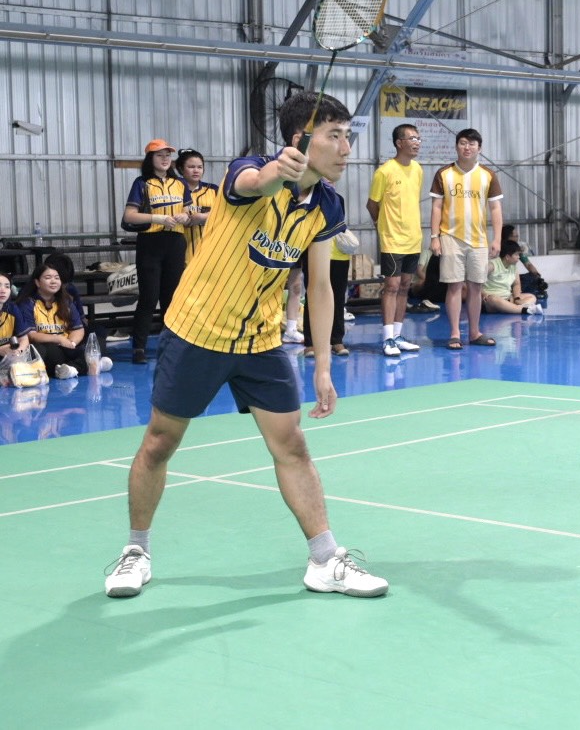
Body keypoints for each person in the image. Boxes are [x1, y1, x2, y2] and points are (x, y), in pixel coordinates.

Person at [102, 89, 387, 600]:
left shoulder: (327, 204)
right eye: (335, 136)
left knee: (292, 445)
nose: (347, 149)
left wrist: (322, 365)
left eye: (348, 137)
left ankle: (325, 560)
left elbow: (321, 287)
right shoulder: (249, 169)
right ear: (302, 140)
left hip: (261, 340)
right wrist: (279, 170)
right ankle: (136, 551)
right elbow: (252, 184)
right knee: (160, 442)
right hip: (198, 330)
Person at [429, 128, 504, 350]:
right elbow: (436, 207)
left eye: (472, 144)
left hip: (479, 240)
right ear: (456, 146)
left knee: (476, 287)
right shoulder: (444, 173)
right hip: (450, 237)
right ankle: (454, 333)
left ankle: (474, 332)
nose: (467, 147)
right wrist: (434, 237)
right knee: (454, 286)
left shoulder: (488, 175)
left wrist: (497, 239)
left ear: (479, 148)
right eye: (463, 143)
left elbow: (495, 208)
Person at [122, 139, 191, 363]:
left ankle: (170, 345)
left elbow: (188, 212)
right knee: (149, 297)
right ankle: (139, 347)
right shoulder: (142, 183)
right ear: (150, 158)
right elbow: (129, 216)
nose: (164, 159)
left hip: (176, 242)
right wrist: (158, 218)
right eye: (159, 155)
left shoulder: (180, 183)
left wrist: (185, 216)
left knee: (172, 298)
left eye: (167, 155)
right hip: (151, 242)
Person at [367, 123, 424, 357]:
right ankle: (387, 338)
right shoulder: (384, 172)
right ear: (399, 143)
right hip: (392, 239)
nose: (417, 143)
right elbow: (372, 204)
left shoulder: (418, 169)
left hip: (413, 239)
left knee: (405, 286)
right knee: (391, 287)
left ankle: (398, 336)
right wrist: (382, 226)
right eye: (412, 138)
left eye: (418, 139)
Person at [12, 263, 113, 379]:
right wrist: (59, 339)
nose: (53, 281)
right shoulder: (27, 304)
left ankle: (73, 368)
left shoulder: (66, 301)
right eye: (48, 278)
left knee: (97, 340)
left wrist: (72, 343)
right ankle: (93, 364)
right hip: (49, 347)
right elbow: (32, 335)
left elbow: (78, 329)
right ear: (37, 282)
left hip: (68, 345)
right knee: (50, 352)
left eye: (57, 278)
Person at [299, 230, 353, 358]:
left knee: (338, 298)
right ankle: (310, 342)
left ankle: (337, 340)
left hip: (339, 253)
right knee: (312, 297)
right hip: (314, 251)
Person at [175, 148, 218, 264]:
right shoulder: (173, 190)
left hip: (209, 253)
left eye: (199, 167)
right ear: (181, 169)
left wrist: (203, 217)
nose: (196, 171)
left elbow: (226, 214)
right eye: (191, 167)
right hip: (179, 253)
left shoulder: (214, 190)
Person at [481, 240, 544, 315]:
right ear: (507, 257)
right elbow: (476, 281)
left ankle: (512, 308)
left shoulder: (513, 267)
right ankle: (524, 310)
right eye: (516, 255)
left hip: (508, 298)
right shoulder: (492, 265)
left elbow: (516, 284)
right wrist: (483, 293)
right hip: (491, 301)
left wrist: (517, 298)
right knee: (493, 299)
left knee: (532, 297)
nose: (519, 257)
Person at [501, 224, 548, 297]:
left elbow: (528, 264)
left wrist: (538, 277)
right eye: (516, 236)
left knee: (533, 277)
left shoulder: (516, 249)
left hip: (511, 277)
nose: (518, 238)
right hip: (502, 279)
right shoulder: (500, 249)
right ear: (508, 237)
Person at [0, 272, 29, 359]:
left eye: (7, 286)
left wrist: (18, 352)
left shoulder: (12, 308)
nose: (3, 290)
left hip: (9, 356)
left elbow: (24, 339)